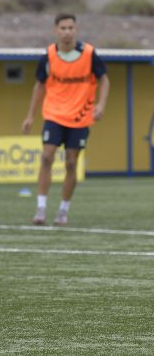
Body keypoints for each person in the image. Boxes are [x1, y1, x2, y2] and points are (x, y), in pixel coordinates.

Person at [21, 13, 109, 226]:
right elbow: (39, 86)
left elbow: (104, 79)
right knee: (47, 157)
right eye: (63, 28)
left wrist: (101, 104)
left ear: (76, 30)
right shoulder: (49, 55)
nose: (67, 32)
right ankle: (41, 208)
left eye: (71, 28)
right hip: (54, 114)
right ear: (56, 30)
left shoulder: (89, 53)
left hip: (80, 117)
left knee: (71, 163)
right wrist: (30, 115)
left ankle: (63, 210)